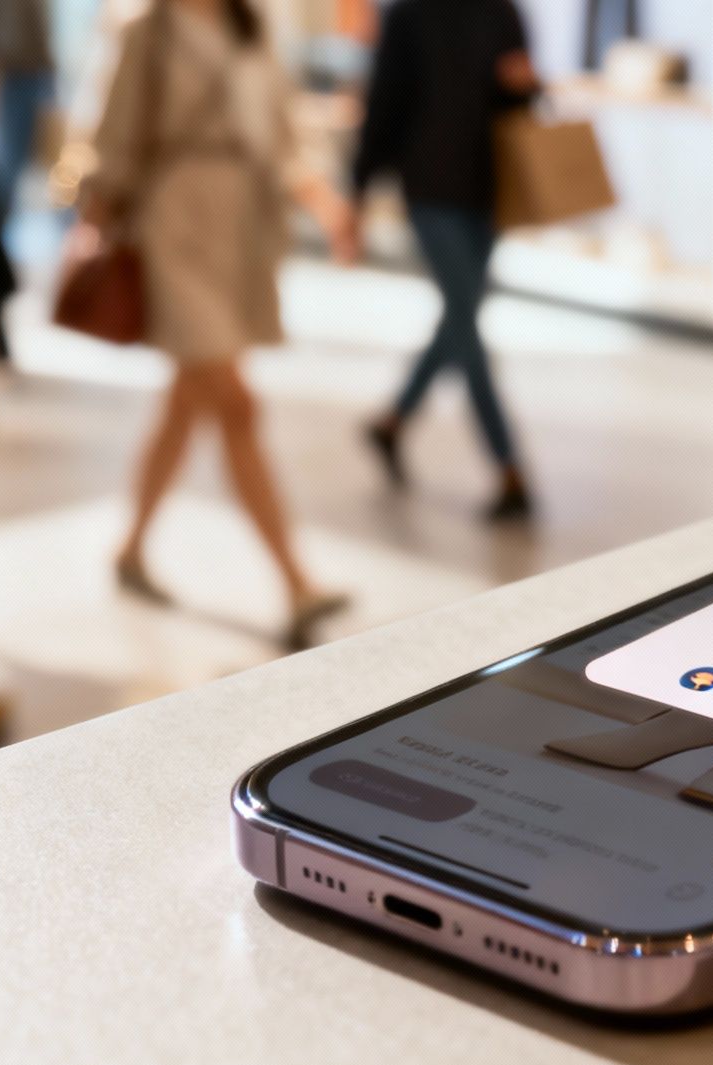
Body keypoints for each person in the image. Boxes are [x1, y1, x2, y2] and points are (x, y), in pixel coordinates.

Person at [83, 0, 357, 648]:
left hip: (244, 223)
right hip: (173, 221)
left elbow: (283, 129)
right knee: (234, 401)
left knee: (188, 401)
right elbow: (113, 135)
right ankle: (296, 583)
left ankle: (129, 549)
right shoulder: (144, 29)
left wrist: (324, 202)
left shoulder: (250, 23)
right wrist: (95, 229)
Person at [344, 0, 537, 519]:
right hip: (430, 190)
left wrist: (524, 85)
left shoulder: (502, 12)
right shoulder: (408, 14)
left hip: (488, 190)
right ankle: (508, 466)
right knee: (467, 328)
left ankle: (392, 422)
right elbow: (384, 103)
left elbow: (521, 103)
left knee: (460, 318)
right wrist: (357, 190)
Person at [0, 0, 57, 225]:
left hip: (35, 75)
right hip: (9, 75)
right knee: (6, 160)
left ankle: (2, 221)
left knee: (26, 156)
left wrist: (49, 77)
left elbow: (40, 30)